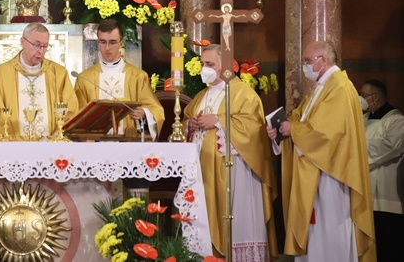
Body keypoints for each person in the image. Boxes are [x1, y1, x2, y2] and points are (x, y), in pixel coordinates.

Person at [267, 41, 375, 262]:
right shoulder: (322, 88)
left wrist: (292, 129)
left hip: (331, 175)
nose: (305, 66)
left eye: (307, 61)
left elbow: (326, 133)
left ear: (323, 60)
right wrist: (281, 130)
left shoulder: (340, 88)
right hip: (317, 171)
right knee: (316, 234)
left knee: (329, 233)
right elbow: (302, 118)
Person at [184, 44, 277, 261]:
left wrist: (218, 121)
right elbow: (183, 124)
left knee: (235, 222)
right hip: (203, 172)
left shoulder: (244, 94)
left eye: (210, 64)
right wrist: (191, 124)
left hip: (236, 173)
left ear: (226, 66)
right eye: (202, 64)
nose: (204, 69)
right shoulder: (201, 96)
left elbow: (254, 131)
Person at [74, 19, 164, 139]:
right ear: (97, 43)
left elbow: (156, 110)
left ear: (121, 43)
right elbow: (78, 117)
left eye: (112, 42)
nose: (107, 48)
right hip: (95, 146)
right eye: (102, 42)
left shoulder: (137, 77)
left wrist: (143, 113)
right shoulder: (85, 79)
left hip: (128, 144)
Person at [0, 22, 78, 138]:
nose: (41, 51)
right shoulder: (1, 73)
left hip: (51, 148)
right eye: (37, 45)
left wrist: (56, 137)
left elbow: (71, 111)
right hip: (13, 148)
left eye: (45, 46)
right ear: (23, 42)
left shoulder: (59, 73)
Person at [360, 79, 404, 262]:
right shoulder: (362, 119)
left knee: (388, 249)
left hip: (388, 201)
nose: (360, 99)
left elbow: (388, 147)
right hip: (365, 196)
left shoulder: (397, 120)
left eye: (363, 95)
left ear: (374, 97)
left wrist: (356, 152)